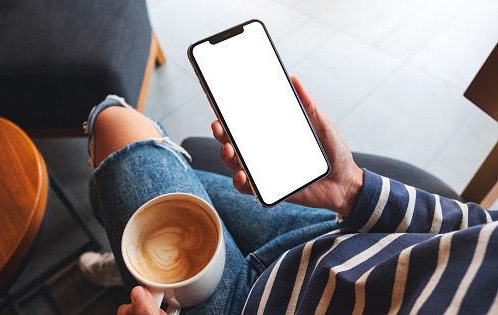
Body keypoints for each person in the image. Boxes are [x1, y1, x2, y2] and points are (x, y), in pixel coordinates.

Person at [83, 76, 498, 315]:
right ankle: (135, 262)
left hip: (249, 306)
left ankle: (137, 271)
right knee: (132, 194)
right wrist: (353, 189)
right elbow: (479, 233)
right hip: (339, 239)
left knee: (112, 122)